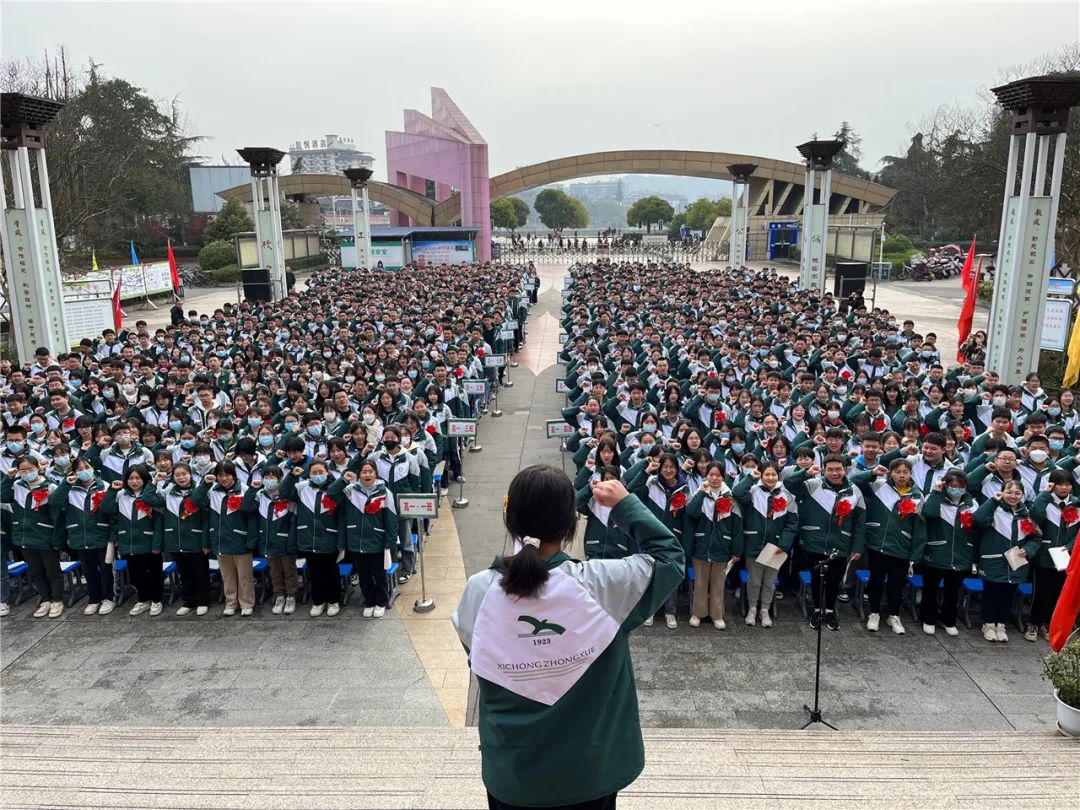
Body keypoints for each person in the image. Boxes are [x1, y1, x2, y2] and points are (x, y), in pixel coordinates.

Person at [451, 467, 683, 810]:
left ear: (509, 517)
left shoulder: (480, 590)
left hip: (513, 774)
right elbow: (669, 557)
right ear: (571, 525)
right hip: (591, 771)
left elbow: (479, 656)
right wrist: (624, 505)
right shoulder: (604, 585)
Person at [784, 455, 866, 630]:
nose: (834, 473)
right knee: (817, 578)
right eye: (830, 469)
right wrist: (805, 474)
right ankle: (817, 610)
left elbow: (860, 522)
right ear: (823, 469)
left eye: (838, 469)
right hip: (815, 541)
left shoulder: (854, 491)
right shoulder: (813, 484)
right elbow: (789, 483)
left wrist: (857, 546)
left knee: (834, 579)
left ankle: (829, 610)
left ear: (845, 469)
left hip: (841, 543)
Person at [850, 458, 927, 635]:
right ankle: (874, 613)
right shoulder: (879, 486)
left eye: (905, 472)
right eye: (897, 472)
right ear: (890, 473)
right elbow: (853, 481)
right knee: (876, 580)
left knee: (897, 583)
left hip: (901, 547)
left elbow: (920, 528)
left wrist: (916, 554)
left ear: (910, 474)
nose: (901, 475)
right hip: (877, 544)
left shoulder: (917, 495)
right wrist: (871, 473)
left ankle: (894, 614)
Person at [971, 480, 1041, 642]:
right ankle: (988, 624)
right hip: (994, 561)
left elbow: (1036, 538)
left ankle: (1001, 624)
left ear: (1023, 495)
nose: (1013, 496)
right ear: (1002, 492)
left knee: (1008, 595)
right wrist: (993, 501)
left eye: (1017, 493)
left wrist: (1028, 550)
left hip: (1016, 563)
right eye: (1009, 492)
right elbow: (978, 520)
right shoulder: (994, 510)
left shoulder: (1027, 515)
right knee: (991, 593)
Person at [731, 462, 798, 627]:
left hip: (777, 546)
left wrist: (784, 544)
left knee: (769, 581)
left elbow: (792, 523)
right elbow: (737, 493)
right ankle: (752, 608)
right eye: (766, 474)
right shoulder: (753, 491)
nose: (770, 478)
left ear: (778, 476)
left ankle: (765, 610)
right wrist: (750, 478)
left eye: (773, 474)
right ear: (761, 475)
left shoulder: (787, 494)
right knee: (754, 580)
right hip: (754, 543)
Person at [330, 460, 397, 617]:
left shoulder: (384, 492)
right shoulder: (350, 490)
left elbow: (392, 519)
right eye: (364, 472)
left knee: (379, 575)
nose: (367, 475)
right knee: (364, 575)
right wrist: (343, 479)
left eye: (370, 471)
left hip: (377, 540)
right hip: (356, 541)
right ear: (359, 474)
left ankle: (381, 601)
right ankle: (369, 601)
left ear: (376, 473)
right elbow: (332, 495)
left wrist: (390, 542)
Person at [192, 461, 258, 617]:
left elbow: (252, 517)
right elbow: (195, 500)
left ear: (233, 475)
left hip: (240, 540)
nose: (223, 479)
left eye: (227, 475)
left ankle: (247, 603)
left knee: (245, 576)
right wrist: (204, 485)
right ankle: (231, 603)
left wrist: (251, 541)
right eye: (220, 475)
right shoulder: (212, 490)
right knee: (227, 576)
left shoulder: (244, 490)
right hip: (220, 540)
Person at [3, 455, 66, 618]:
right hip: (24, 536)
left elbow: (57, 516)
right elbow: (2, 496)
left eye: (30, 469)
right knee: (35, 572)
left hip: (45, 536)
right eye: (23, 470)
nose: (27, 473)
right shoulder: (17, 485)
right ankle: (45, 599)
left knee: (52, 570)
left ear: (38, 467)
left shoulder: (49, 487)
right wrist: (8, 478)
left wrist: (57, 539)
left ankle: (57, 600)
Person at [918, 470, 978, 635]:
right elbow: (928, 513)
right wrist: (936, 492)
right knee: (930, 589)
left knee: (953, 592)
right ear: (945, 485)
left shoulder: (972, 503)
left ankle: (948, 620)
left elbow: (977, 525)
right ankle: (928, 618)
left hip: (961, 555)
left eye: (960, 486)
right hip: (937, 552)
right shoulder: (936, 498)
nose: (956, 489)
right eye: (952, 486)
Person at [683, 462, 741, 629]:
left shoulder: (730, 496)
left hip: (722, 545)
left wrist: (736, 550)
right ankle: (698, 613)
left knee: (718, 583)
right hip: (701, 545)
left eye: (718, 475)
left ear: (723, 476)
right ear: (706, 476)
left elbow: (736, 526)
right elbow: (691, 513)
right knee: (700, 582)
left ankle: (717, 614)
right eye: (711, 475)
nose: (714, 478)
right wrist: (701, 493)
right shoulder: (699, 493)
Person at [56, 457, 115, 615]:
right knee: (89, 571)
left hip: (101, 535)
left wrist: (113, 535)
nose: (83, 471)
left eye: (86, 467)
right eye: (79, 469)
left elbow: (113, 513)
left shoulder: (105, 486)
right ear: (74, 472)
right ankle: (94, 599)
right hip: (79, 537)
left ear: (93, 468)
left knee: (106, 569)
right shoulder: (70, 489)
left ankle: (108, 598)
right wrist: (65, 484)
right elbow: (54, 503)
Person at [1027, 469, 1079, 642]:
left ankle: (1047, 623)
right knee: (1041, 591)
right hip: (1044, 554)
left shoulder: (1076, 504)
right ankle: (1033, 623)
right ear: (1052, 484)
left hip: (1066, 557)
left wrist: (1070, 546)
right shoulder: (1045, 501)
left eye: (1068, 484)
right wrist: (1045, 494)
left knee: (1057, 592)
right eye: (1060, 484)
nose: (1064, 488)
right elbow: (1035, 516)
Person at [159, 462, 211, 616]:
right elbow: (150, 499)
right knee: (185, 573)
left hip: (195, 540)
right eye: (177, 475)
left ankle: (203, 600)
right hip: (176, 541)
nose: (181, 478)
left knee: (200, 572)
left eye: (184, 474)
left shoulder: (199, 492)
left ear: (191, 475)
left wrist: (205, 542)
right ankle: (189, 600)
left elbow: (205, 520)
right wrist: (155, 481)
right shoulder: (168, 492)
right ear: (172, 477)